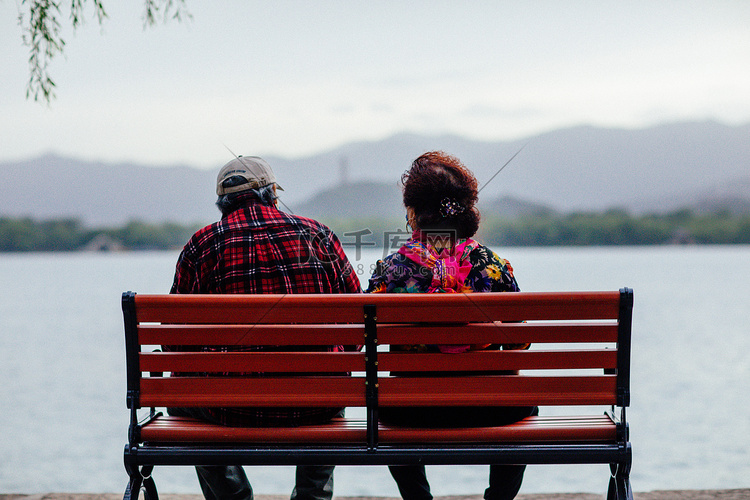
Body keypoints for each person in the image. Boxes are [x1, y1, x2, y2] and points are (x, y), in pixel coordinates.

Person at [167, 155, 362, 500]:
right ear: (271, 192)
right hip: (316, 404)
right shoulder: (318, 235)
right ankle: (311, 496)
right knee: (332, 380)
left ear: (223, 202)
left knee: (180, 391)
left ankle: (234, 495)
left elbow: (175, 344)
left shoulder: (202, 245)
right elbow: (357, 325)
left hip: (228, 409)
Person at [366, 151, 537, 500]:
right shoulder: (494, 266)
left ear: (413, 212)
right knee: (527, 402)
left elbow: (366, 339)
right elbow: (520, 344)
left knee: (385, 399)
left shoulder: (391, 270)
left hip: (409, 409)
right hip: (493, 408)